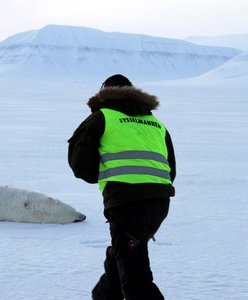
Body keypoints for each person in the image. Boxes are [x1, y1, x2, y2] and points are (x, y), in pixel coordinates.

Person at [68, 74, 176, 300]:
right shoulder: (156, 124)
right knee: (121, 261)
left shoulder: (102, 118)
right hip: (159, 204)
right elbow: (170, 169)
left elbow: (80, 165)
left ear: (103, 94)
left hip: (127, 204)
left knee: (136, 281)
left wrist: (106, 175)